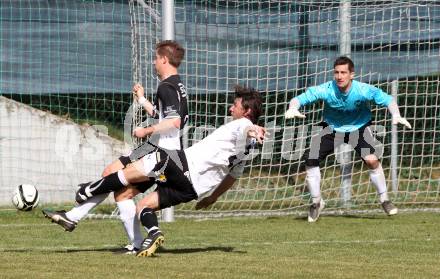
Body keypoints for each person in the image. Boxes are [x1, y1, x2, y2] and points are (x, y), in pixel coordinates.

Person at [71, 85, 265, 257]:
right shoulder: (246, 151)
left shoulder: (243, 124)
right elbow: (232, 176)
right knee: (144, 207)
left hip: (186, 166)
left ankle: (87, 191)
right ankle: (154, 233)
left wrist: (254, 130)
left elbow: (247, 129)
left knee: (152, 160)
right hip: (193, 189)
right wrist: (212, 198)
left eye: (235, 105)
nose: (231, 108)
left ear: (247, 111)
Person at [43, 40, 188, 254]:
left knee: (112, 175)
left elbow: (175, 122)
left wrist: (146, 131)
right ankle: (131, 242)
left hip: (162, 152)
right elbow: (165, 116)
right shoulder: (175, 85)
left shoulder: (167, 87)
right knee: (119, 190)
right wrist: (142, 100)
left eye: (156, 58)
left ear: (164, 59)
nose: (153, 63)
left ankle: (83, 196)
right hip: (157, 148)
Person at [285, 56, 411, 223]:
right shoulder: (327, 89)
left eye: (343, 72)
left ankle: (385, 200)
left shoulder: (363, 89)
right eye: (336, 72)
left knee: (372, 161)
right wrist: (293, 107)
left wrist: (396, 114)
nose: (339, 76)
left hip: (358, 129)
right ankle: (316, 203)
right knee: (310, 159)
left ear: (352, 74)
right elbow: (300, 98)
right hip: (332, 129)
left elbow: (388, 99)